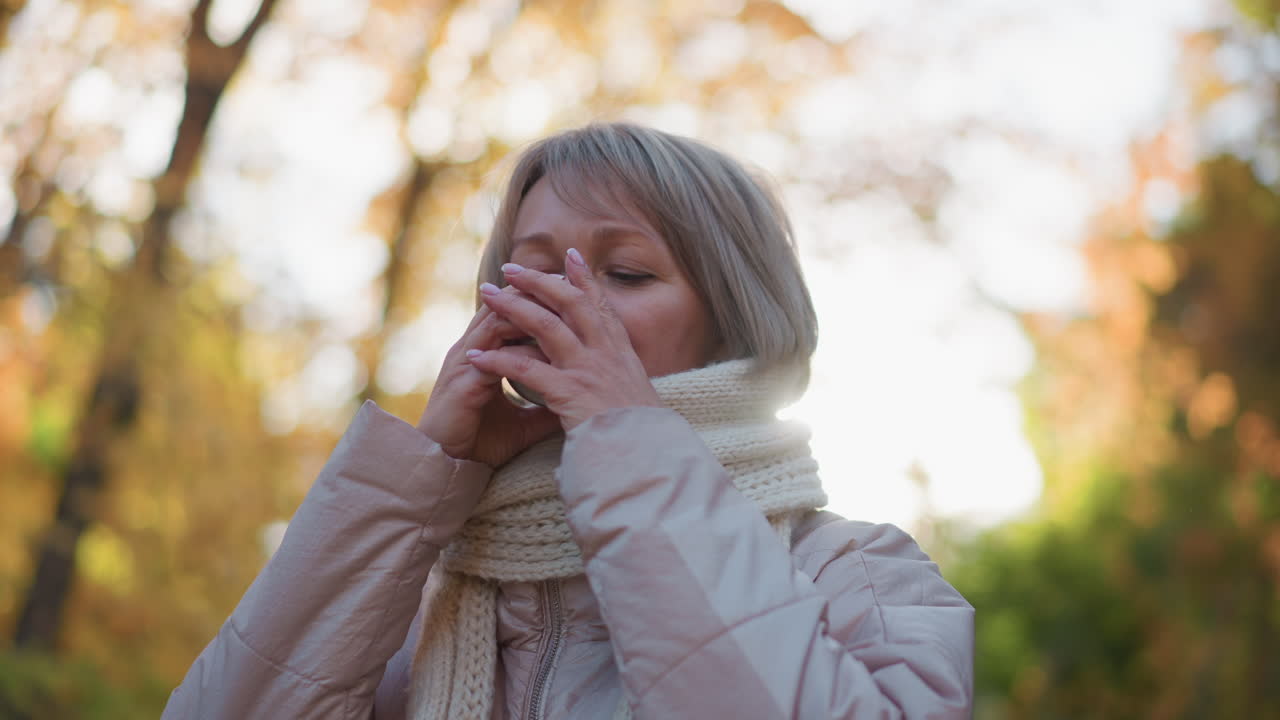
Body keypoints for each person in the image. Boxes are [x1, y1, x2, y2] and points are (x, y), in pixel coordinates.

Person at [161, 123, 974, 719]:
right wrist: (417, 482)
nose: (562, 303)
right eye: (534, 274)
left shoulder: (857, 574)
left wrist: (627, 439)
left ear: (730, 323)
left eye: (622, 272)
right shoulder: (414, 595)